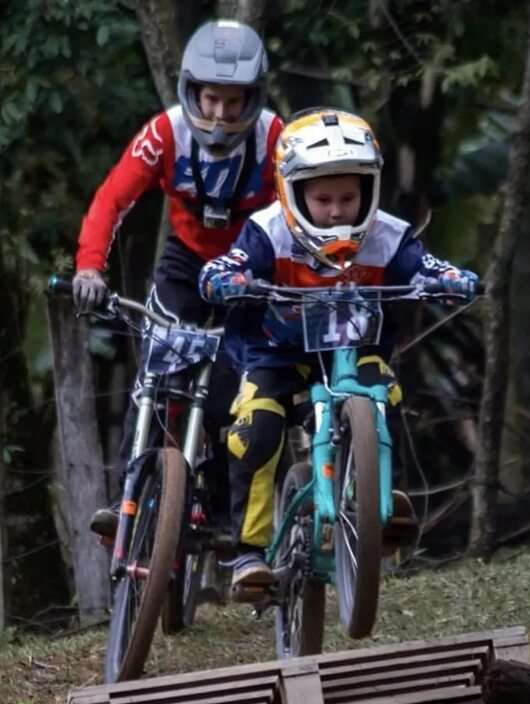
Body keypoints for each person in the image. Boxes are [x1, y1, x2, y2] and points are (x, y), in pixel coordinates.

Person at [199, 108, 480, 596]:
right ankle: (248, 550)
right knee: (255, 426)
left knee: (384, 390)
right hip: (275, 355)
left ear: (368, 191)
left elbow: (426, 266)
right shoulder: (268, 231)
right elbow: (227, 264)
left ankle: (380, 498)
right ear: (293, 193)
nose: (336, 211)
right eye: (323, 198)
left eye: (349, 197)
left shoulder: (388, 235)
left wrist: (452, 280)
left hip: (354, 351)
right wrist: (226, 279)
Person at [72, 19, 284, 536]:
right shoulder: (165, 132)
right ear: (193, 91)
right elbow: (112, 199)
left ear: (252, 98)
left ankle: (223, 514)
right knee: (155, 372)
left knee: (233, 397)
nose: (219, 113)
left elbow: (296, 215)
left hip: (249, 265)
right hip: (184, 263)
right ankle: (128, 497)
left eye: (234, 102)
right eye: (211, 99)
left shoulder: (277, 138)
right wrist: (89, 266)